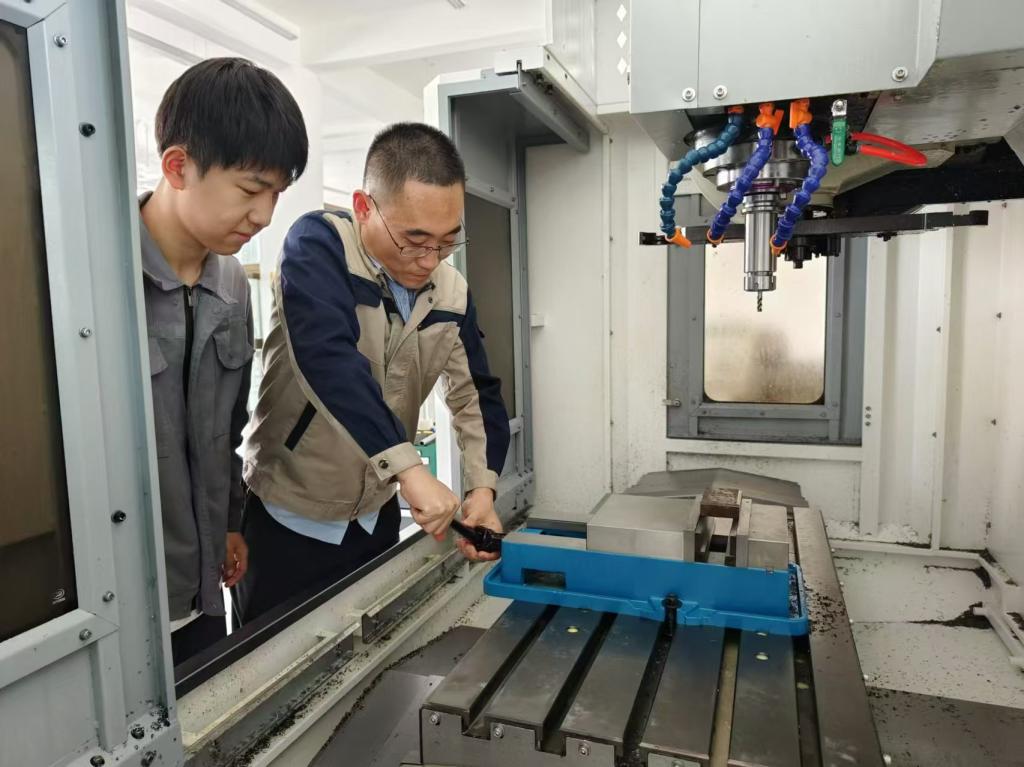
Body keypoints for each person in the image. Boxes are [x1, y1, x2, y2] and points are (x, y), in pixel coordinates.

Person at [235, 122, 510, 624]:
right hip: (289, 518)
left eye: (447, 242)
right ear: (364, 207)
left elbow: (476, 395)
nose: (429, 260)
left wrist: (483, 492)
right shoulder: (318, 246)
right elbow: (328, 360)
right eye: (414, 241)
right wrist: (411, 471)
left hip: (375, 517)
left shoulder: (451, 292)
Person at [140, 57, 308, 662]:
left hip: (207, 590)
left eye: (276, 194)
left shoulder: (232, 283)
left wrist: (232, 521)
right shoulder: (92, 280)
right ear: (178, 166)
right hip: (126, 603)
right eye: (250, 190)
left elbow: (230, 425)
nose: (265, 215)